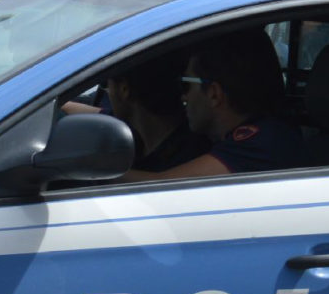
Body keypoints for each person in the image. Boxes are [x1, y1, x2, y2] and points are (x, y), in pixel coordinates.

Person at [128, 30, 306, 181]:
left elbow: (162, 185)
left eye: (186, 85)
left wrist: (104, 174)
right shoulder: (264, 133)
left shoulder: (260, 143)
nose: (183, 96)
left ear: (214, 93)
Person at [103, 52, 211, 173]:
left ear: (124, 89)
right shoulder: (190, 142)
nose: (108, 92)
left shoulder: (186, 159)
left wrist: (95, 171)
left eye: (107, 84)